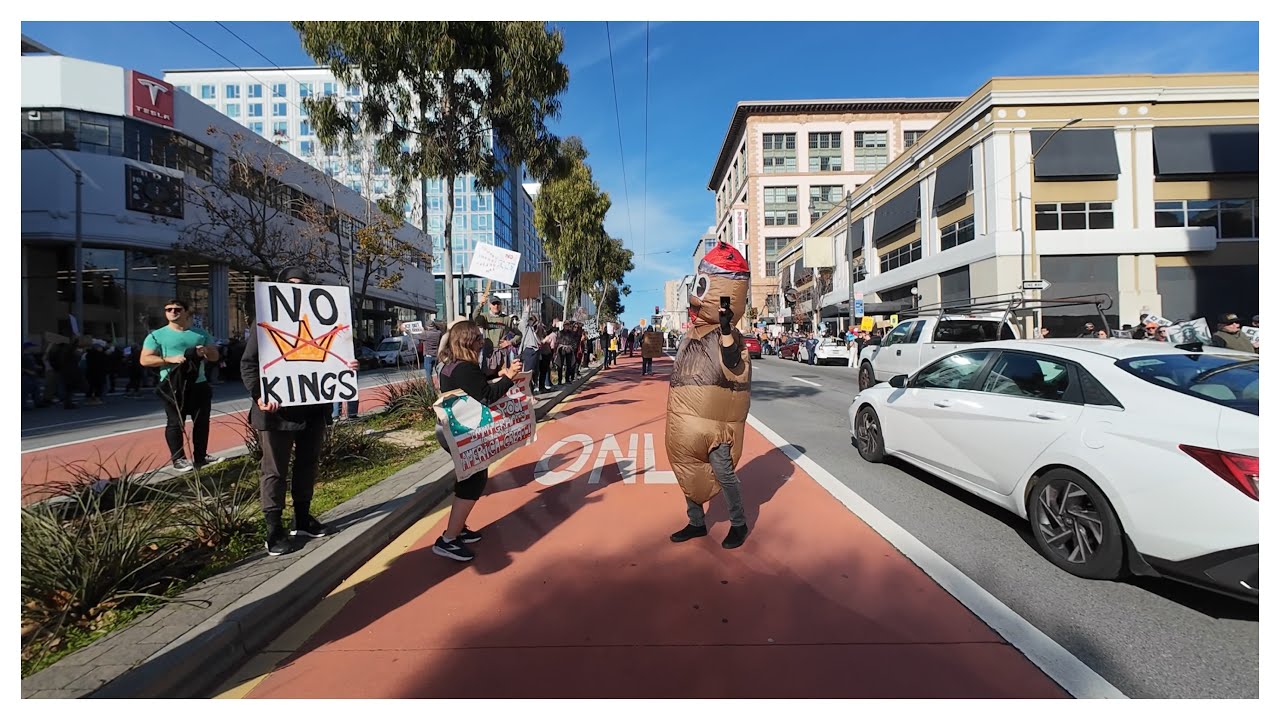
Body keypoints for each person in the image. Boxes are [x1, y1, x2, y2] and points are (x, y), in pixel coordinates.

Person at [241, 266, 361, 556]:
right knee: (274, 471)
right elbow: (248, 364)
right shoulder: (266, 322)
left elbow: (333, 357)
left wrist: (348, 366)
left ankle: (302, 519)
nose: (297, 289)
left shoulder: (324, 323)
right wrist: (260, 396)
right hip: (277, 413)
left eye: (302, 284)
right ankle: (273, 529)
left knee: (308, 466)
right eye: (291, 284)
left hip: (314, 409)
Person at [667, 241, 752, 550]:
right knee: (685, 466)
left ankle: (738, 523)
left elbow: (732, 361)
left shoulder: (729, 335)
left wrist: (727, 328)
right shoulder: (692, 332)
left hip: (714, 425)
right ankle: (696, 522)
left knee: (724, 473)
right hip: (685, 421)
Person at [432, 320, 524, 562]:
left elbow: (479, 382)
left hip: (451, 430)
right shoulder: (465, 368)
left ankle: (457, 527)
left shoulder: (451, 365)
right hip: (464, 434)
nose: (482, 343)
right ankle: (448, 540)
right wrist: (510, 378)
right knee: (474, 480)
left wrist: (498, 374)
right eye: (478, 339)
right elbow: (487, 396)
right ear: (467, 341)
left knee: (468, 477)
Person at [140, 299, 222, 473]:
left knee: (202, 422)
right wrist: (168, 359)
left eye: (177, 309)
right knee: (175, 423)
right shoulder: (156, 336)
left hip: (198, 384)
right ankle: (179, 459)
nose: (172, 312)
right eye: (168, 309)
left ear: (186, 312)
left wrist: (206, 351)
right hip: (173, 385)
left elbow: (215, 356)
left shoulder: (200, 334)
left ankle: (201, 456)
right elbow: (145, 359)